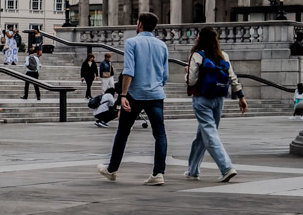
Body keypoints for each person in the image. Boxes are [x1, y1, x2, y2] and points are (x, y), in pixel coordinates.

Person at [98, 10, 170, 183]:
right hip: (156, 94)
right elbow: (165, 75)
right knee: (160, 134)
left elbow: (129, 71)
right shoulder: (162, 46)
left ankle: (112, 169)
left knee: (123, 132)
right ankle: (158, 173)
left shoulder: (132, 42)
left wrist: (123, 95)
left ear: (140, 24)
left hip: (135, 94)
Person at [184, 25, 245, 181]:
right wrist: (241, 96)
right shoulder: (223, 55)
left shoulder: (197, 55)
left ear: (200, 38)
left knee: (210, 134)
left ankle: (226, 168)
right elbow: (232, 77)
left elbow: (191, 81)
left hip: (202, 99)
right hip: (219, 99)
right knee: (203, 134)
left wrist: (186, 74)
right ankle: (192, 170)